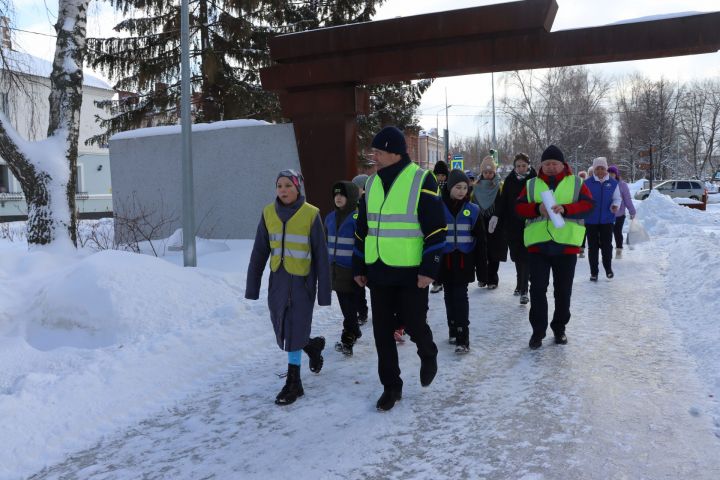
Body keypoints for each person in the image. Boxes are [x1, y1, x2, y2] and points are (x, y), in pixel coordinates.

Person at [353, 126, 445, 412]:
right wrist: (359, 264)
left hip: (410, 271)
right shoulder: (371, 183)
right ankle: (391, 386)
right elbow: (362, 229)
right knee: (382, 332)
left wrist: (429, 268)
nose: (374, 155)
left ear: (394, 152)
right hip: (379, 270)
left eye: (378, 151)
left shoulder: (422, 179)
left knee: (415, 324)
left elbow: (437, 229)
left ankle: (428, 351)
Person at [245, 169, 331, 405]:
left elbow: (322, 257)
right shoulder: (268, 213)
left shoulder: (311, 215)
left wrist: (324, 293)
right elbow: (259, 252)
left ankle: (294, 383)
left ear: (297, 188)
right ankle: (312, 346)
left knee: (294, 327)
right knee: (282, 326)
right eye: (279, 185)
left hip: (302, 282)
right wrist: (252, 286)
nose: (283, 190)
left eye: (288, 186)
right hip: (278, 281)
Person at [516, 145, 594, 349]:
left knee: (563, 290)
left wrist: (567, 209)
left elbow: (589, 206)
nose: (551, 167)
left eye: (554, 163)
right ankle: (537, 333)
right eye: (547, 163)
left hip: (566, 246)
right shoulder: (531, 183)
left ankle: (559, 329)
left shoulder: (576, 182)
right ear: (541, 165)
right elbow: (518, 207)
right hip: (538, 246)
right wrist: (536, 208)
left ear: (562, 164)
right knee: (538, 290)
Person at [439, 169, 484, 353]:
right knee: (449, 294)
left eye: (465, 187)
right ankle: (452, 327)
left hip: (464, 260)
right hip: (444, 259)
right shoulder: (438, 207)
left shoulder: (473, 210)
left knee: (460, 295)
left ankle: (462, 336)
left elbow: (481, 241)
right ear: (450, 187)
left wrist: (483, 271)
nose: (462, 191)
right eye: (458, 187)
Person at [326, 180, 363, 356]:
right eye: (336, 194)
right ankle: (353, 331)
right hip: (335, 269)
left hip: (352, 270)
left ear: (352, 197)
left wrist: (361, 267)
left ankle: (349, 335)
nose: (338, 198)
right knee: (345, 305)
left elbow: (362, 244)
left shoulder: (357, 217)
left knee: (350, 306)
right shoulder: (330, 218)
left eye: (342, 195)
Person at [499, 153, 536, 305]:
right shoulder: (509, 180)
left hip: (530, 223)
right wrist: (498, 217)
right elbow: (503, 201)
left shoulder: (534, 179)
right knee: (516, 255)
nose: (521, 168)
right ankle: (519, 282)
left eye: (524, 165)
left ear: (528, 165)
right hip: (512, 224)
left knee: (526, 256)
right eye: (518, 166)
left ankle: (524, 289)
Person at [472, 156, 507, 289]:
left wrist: (496, 216)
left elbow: (502, 203)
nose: (488, 175)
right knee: (481, 252)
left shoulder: (499, 186)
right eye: (485, 172)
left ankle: (492, 279)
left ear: (494, 172)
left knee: (494, 253)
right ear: (482, 172)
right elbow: (472, 203)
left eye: (490, 172)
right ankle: (482, 278)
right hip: (480, 222)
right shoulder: (476, 186)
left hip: (495, 225)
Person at [584, 157, 621, 281]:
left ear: (606, 169)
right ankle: (594, 272)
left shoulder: (613, 183)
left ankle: (608, 269)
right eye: (597, 168)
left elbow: (617, 198)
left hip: (607, 219)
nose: (600, 171)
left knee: (607, 246)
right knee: (592, 247)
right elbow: (583, 199)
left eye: (602, 168)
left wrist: (615, 206)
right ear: (594, 169)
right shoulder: (587, 183)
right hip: (591, 220)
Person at [351, 174, 370, 324]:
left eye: (356, 187)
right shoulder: (351, 204)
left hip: (369, 250)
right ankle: (362, 312)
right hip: (357, 250)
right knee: (358, 287)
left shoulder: (370, 203)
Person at [607, 165, 636, 259]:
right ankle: (607, 251)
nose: (611, 174)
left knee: (617, 232)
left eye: (613, 173)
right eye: (609, 172)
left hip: (619, 214)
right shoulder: (605, 183)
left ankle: (619, 250)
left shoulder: (622, 185)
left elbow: (627, 199)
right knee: (607, 233)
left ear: (616, 174)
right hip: (607, 214)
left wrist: (632, 211)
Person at [430, 163, 450, 295]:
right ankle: (436, 282)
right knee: (434, 254)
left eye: (443, 175)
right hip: (433, 224)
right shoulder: (430, 186)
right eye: (438, 175)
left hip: (446, 223)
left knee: (444, 254)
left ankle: (442, 280)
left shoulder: (449, 188)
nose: (440, 178)